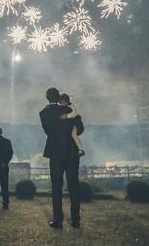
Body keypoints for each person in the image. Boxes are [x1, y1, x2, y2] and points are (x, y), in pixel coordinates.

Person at [39, 87, 84, 229]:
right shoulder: (69, 111)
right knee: (73, 187)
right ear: (58, 97)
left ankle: (58, 220)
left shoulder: (44, 113)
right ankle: (75, 220)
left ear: (47, 98)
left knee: (56, 188)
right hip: (71, 153)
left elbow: (48, 131)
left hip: (55, 154)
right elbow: (80, 128)